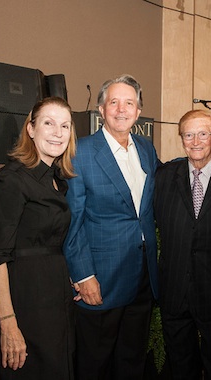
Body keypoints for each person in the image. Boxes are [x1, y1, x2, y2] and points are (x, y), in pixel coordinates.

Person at [64, 74, 159, 379]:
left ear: (138, 111)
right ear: (101, 110)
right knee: (94, 361)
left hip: (143, 274)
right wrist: (83, 274)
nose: (121, 109)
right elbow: (72, 221)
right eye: (113, 102)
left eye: (129, 102)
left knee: (131, 358)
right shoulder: (81, 152)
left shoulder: (146, 149)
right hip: (101, 278)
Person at [0, 97, 77, 379]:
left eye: (65, 125)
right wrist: (8, 323)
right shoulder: (10, 180)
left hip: (56, 296)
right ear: (31, 129)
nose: (58, 132)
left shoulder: (58, 180)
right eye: (48, 123)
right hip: (25, 298)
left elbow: (49, 241)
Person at [154, 109, 211, 380]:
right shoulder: (164, 176)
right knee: (180, 366)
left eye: (203, 133)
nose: (196, 141)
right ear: (181, 139)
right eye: (188, 134)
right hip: (174, 290)